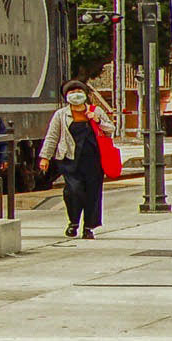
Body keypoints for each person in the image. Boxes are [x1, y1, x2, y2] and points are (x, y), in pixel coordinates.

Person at [40, 85, 119, 239]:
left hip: (93, 160)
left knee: (93, 193)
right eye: (72, 92)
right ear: (66, 96)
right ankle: (73, 221)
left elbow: (111, 128)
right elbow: (52, 136)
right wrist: (45, 157)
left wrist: (96, 120)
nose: (76, 95)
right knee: (73, 191)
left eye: (79, 92)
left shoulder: (96, 111)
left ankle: (88, 227)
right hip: (69, 159)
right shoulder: (61, 115)